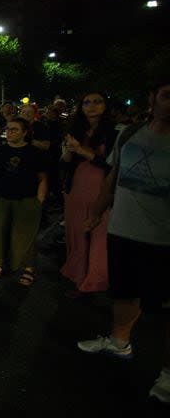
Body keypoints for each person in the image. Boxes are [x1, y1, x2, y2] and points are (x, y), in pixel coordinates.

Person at [77, 79, 170, 404]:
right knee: (124, 293)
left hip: (164, 240)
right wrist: (96, 213)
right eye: (167, 95)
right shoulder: (129, 134)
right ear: (153, 98)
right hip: (123, 231)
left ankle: (168, 375)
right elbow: (113, 177)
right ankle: (119, 341)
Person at [59, 91, 116, 297]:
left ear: (105, 106)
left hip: (101, 189)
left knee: (99, 235)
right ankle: (78, 275)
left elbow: (112, 166)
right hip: (76, 188)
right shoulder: (75, 130)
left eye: (97, 102)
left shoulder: (113, 133)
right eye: (87, 102)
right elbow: (65, 163)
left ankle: (95, 280)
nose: (91, 106)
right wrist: (67, 152)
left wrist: (83, 152)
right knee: (77, 234)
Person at [0, 117, 47, 286]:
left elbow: (42, 177)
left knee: (25, 234)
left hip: (26, 198)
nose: (10, 132)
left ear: (25, 132)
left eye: (15, 129)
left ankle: (28, 267)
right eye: (8, 129)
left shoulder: (34, 153)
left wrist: (40, 199)